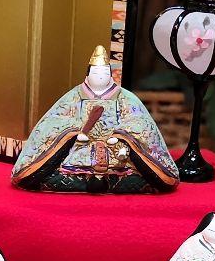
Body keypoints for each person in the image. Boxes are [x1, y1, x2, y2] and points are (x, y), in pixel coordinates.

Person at [11, 45, 178, 193]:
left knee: (132, 169)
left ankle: (106, 180)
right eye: (96, 73)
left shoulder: (125, 97)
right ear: (88, 74)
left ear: (111, 75)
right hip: (80, 147)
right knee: (55, 170)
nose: (100, 77)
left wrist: (121, 135)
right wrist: (75, 131)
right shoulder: (74, 96)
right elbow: (55, 119)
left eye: (104, 73)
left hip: (116, 147)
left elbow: (139, 120)